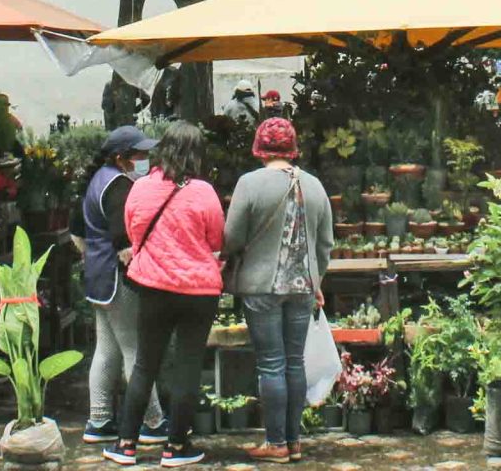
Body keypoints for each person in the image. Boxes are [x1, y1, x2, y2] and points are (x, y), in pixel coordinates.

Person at [105, 123, 225, 468]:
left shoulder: (140, 188)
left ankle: (125, 444)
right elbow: (216, 239)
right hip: (198, 291)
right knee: (187, 368)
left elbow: (132, 231)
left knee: (145, 364)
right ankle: (176, 447)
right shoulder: (204, 192)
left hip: (154, 287)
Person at [225, 118, 332, 464]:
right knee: (293, 362)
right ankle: (294, 441)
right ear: (292, 148)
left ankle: (275, 444)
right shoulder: (314, 185)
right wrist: (316, 283)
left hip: (262, 287)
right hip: (303, 286)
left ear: (260, 149)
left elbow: (232, 239)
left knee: (270, 364)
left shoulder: (249, 184)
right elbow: (326, 244)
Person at [73, 126, 166, 446]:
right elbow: (123, 240)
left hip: (98, 278)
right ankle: (153, 421)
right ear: (120, 158)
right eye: (139, 154)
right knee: (134, 350)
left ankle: (98, 420)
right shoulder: (118, 186)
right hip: (117, 279)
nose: (145, 159)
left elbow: (77, 233)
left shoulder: (97, 180)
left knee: (107, 350)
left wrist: (93, 257)